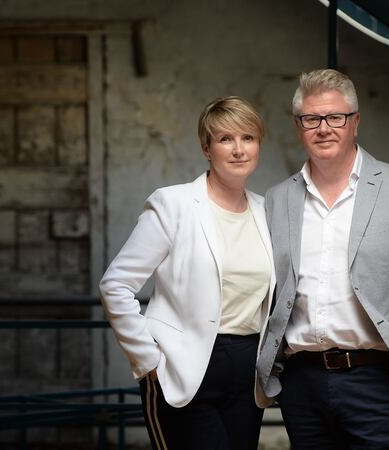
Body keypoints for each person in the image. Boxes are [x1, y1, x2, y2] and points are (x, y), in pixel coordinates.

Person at [256, 69, 389, 449]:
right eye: (311, 119)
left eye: (335, 117)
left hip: (380, 380)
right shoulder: (278, 199)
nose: (324, 127)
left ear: (355, 121)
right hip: (302, 383)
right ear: (299, 126)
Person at [100, 96, 275, 450]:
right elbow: (116, 285)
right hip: (182, 370)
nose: (239, 149)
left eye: (248, 138)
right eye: (226, 139)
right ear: (206, 148)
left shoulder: (267, 211)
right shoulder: (173, 204)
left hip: (246, 373)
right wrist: (148, 361)